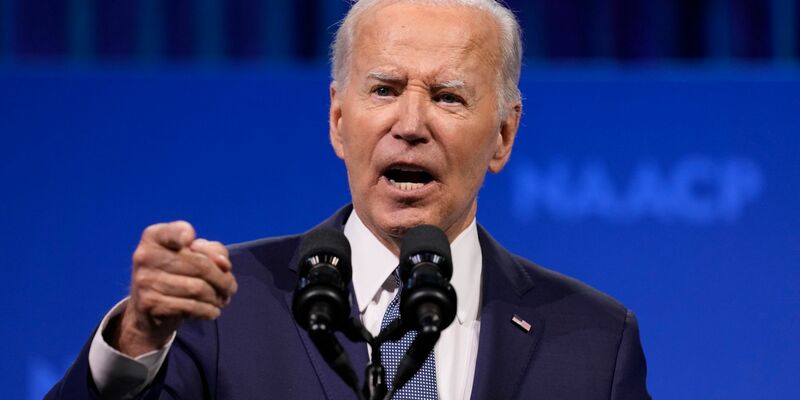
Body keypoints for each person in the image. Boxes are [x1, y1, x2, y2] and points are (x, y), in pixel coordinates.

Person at [48, 0, 650, 399]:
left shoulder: (596, 340)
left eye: (447, 96)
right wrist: (135, 342)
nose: (410, 123)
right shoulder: (225, 308)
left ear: (503, 134)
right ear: (339, 119)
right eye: (384, 89)